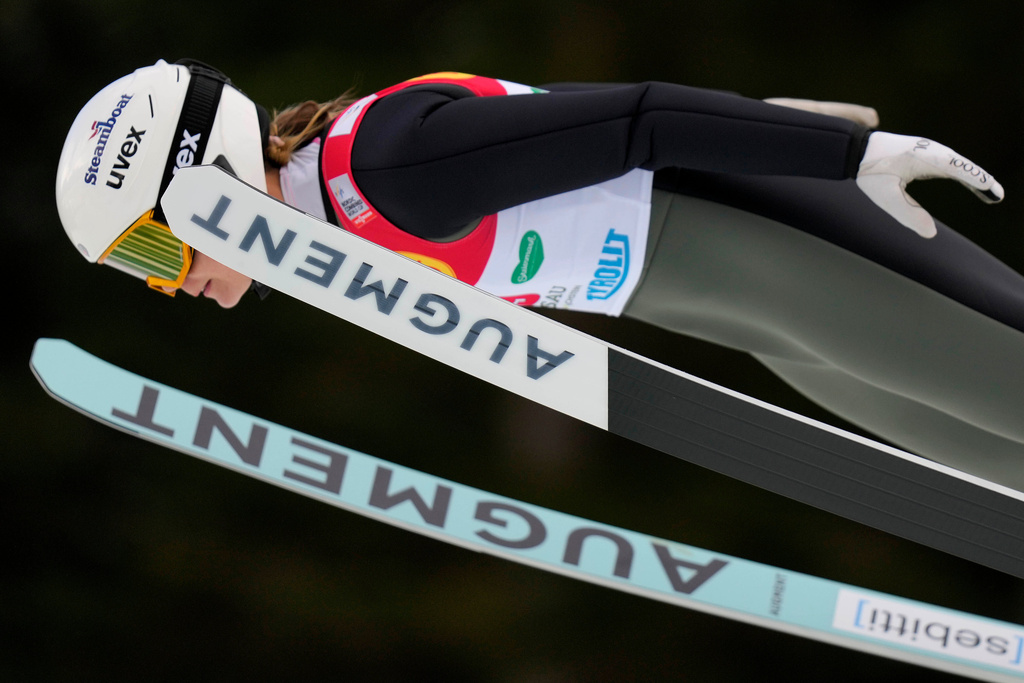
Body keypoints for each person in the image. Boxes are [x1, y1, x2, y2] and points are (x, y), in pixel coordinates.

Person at [56, 59, 1024, 490]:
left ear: (204, 179)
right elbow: (569, 122)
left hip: (780, 240)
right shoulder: (337, 233)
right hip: (748, 316)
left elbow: (634, 119)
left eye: (154, 251)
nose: (171, 285)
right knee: (996, 469)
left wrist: (839, 155)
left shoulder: (382, 167)